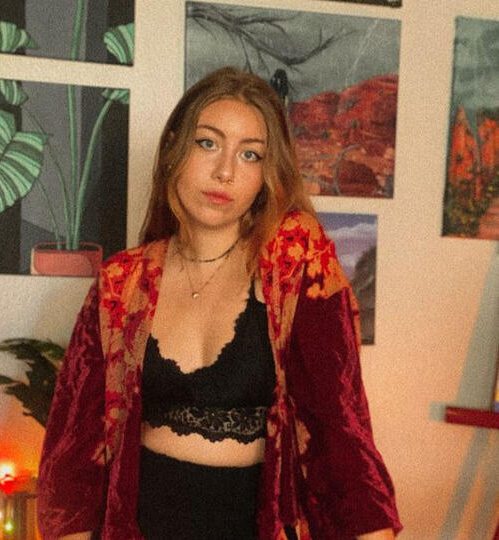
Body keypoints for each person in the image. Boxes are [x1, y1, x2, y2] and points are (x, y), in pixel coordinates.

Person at [37, 67, 402, 540]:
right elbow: (72, 456)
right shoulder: (121, 282)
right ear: (174, 149)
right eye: (207, 143)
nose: (225, 171)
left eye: (250, 154)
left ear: (267, 174)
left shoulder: (296, 262)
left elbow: (340, 429)